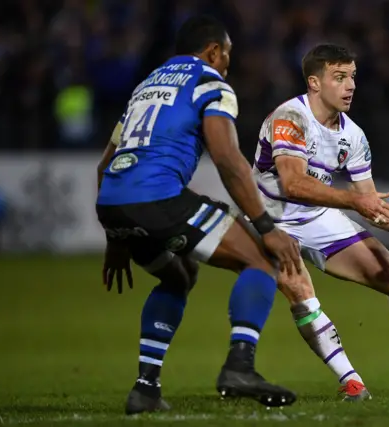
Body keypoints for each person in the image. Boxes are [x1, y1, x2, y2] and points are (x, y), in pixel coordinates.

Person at [95, 15, 303, 413]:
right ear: (213, 51)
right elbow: (227, 158)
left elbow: (105, 166)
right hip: (157, 198)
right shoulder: (210, 82)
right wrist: (265, 226)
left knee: (178, 277)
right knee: (260, 259)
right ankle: (240, 366)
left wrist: (115, 238)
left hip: (112, 202)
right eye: (227, 56)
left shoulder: (145, 87)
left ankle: (145, 389)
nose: (228, 64)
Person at [250, 43, 389, 401]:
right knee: (302, 295)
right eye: (339, 77)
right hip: (268, 219)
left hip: (318, 217)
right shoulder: (290, 118)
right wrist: (354, 200)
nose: (350, 85)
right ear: (314, 83)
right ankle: (350, 380)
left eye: (352, 76)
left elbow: (369, 200)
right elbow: (293, 184)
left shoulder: (352, 135)